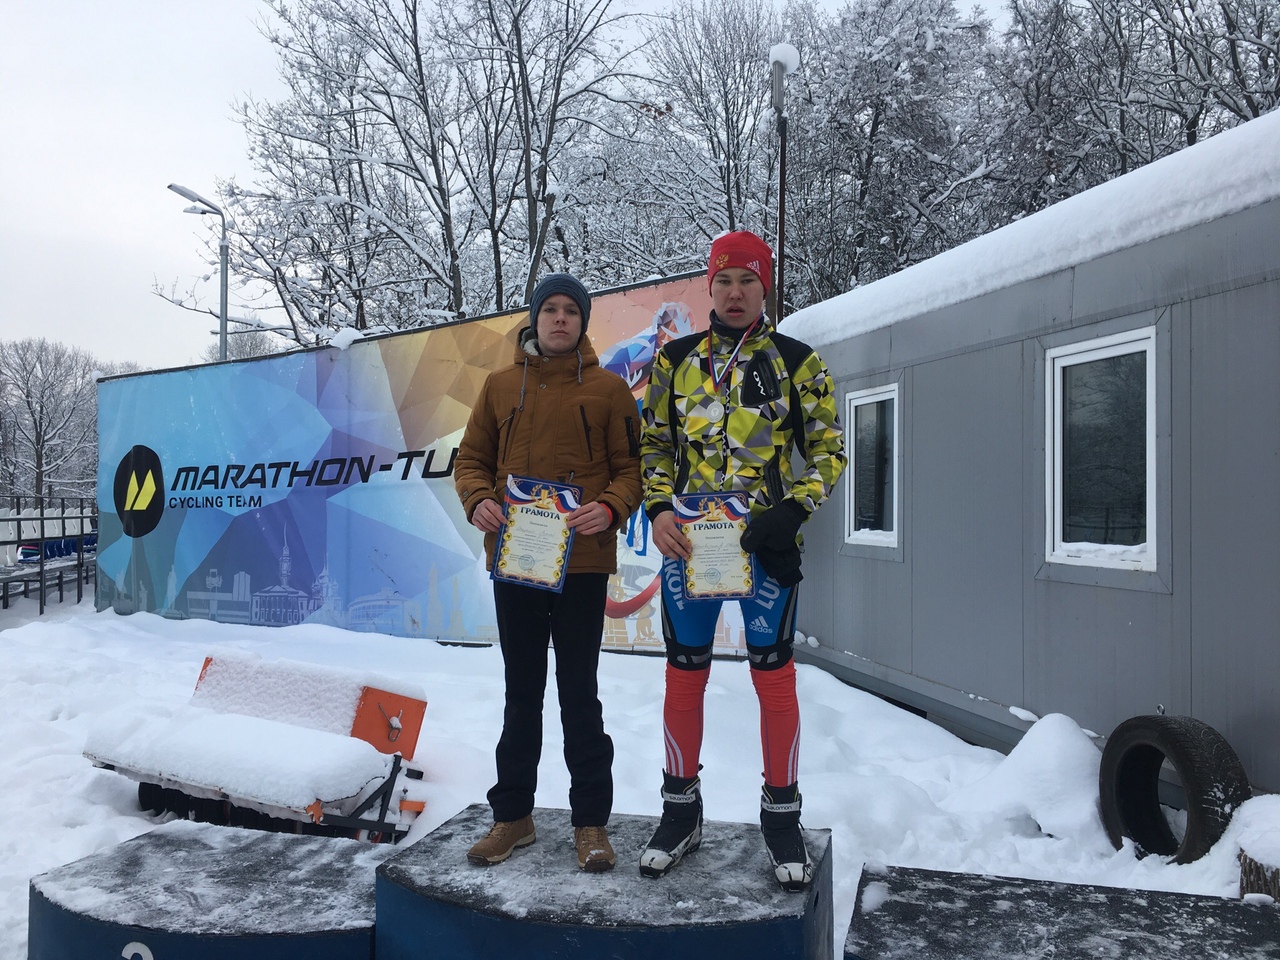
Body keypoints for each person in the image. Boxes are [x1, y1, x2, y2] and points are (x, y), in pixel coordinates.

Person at [637, 231, 847, 889]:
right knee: (684, 676)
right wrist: (659, 508)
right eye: (724, 280)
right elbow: (653, 445)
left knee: (774, 679)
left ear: (765, 287)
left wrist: (794, 509)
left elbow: (831, 450)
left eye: (748, 281)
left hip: (765, 547)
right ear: (709, 286)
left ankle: (781, 818)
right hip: (690, 546)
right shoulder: (674, 361)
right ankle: (680, 813)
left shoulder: (797, 361)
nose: (735, 293)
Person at [455, 273, 642, 872]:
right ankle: (513, 816)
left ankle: (591, 824)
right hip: (518, 562)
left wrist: (610, 507)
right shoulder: (499, 386)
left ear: (583, 321)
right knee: (522, 693)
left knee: (579, 695)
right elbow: (471, 461)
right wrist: (478, 499)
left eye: (571, 311)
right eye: (550, 309)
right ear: (534, 318)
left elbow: (632, 470)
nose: (560, 318)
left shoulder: (610, 390)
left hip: (582, 564)